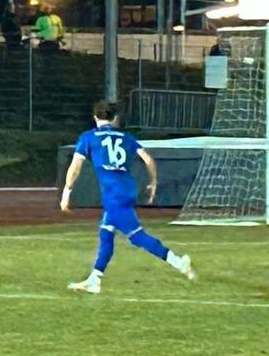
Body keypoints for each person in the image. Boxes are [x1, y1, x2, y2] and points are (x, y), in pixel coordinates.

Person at [61, 99, 196, 293]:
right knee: (106, 233)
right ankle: (95, 279)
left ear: (94, 117)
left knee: (137, 236)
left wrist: (67, 191)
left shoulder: (88, 137)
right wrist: (153, 182)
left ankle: (178, 263)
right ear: (115, 118)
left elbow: (75, 168)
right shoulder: (126, 137)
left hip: (113, 194)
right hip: (126, 189)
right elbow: (148, 159)